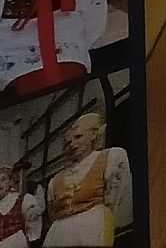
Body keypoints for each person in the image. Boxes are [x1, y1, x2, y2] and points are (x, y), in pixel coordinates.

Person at [39, 106, 131, 247]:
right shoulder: (55, 180)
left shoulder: (109, 158)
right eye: (68, 143)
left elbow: (116, 201)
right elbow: (53, 213)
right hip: (59, 237)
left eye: (78, 137)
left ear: (93, 135)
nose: (72, 144)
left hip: (92, 231)